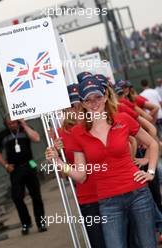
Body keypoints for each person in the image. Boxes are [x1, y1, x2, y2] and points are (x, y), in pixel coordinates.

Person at [46, 77, 158, 247]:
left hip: (138, 194)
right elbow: (81, 176)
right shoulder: (78, 132)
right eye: (88, 99)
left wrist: (150, 172)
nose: (94, 103)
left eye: (97, 97)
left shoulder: (123, 119)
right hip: (108, 202)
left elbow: (152, 143)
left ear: (105, 96)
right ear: (82, 103)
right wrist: (58, 161)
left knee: (147, 244)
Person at [51, 82, 105, 248]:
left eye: (77, 105)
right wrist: (58, 159)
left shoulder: (98, 123)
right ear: (65, 109)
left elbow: (128, 144)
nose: (75, 111)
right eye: (70, 106)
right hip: (88, 198)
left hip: (113, 193)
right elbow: (63, 176)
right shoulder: (59, 134)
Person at [0, 115, 46, 235]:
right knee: (17, 197)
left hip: (29, 165)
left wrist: (24, 124)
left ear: (17, 121)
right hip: (15, 169)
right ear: (6, 124)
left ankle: (41, 222)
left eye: (14, 123)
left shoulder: (25, 129)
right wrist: (6, 165)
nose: (12, 125)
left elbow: (37, 138)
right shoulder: (3, 135)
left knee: (36, 196)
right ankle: (26, 223)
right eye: (9, 123)